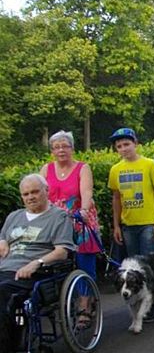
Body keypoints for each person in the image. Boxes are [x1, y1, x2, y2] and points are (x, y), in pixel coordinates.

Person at [0, 174, 75, 353]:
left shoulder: (59, 216)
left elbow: (62, 251)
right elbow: (2, 236)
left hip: (33, 272)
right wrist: (2, 241)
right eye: (25, 194)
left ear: (46, 191)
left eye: (35, 192)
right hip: (5, 267)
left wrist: (36, 263)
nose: (30, 197)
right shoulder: (14, 216)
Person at [39, 130, 100, 327]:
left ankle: (85, 306)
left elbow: (87, 192)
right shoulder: (45, 169)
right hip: (54, 223)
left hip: (79, 220)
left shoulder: (83, 168)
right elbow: (40, 196)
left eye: (65, 146)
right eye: (56, 147)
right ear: (52, 151)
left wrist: (83, 210)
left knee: (84, 259)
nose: (61, 150)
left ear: (72, 148)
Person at [109, 127, 154, 322]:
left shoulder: (149, 165)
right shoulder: (115, 170)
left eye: (126, 144)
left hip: (148, 223)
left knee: (150, 266)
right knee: (134, 269)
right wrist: (116, 225)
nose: (123, 149)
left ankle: (153, 303)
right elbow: (116, 198)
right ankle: (139, 302)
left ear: (135, 144)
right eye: (119, 146)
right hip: (128, 225)